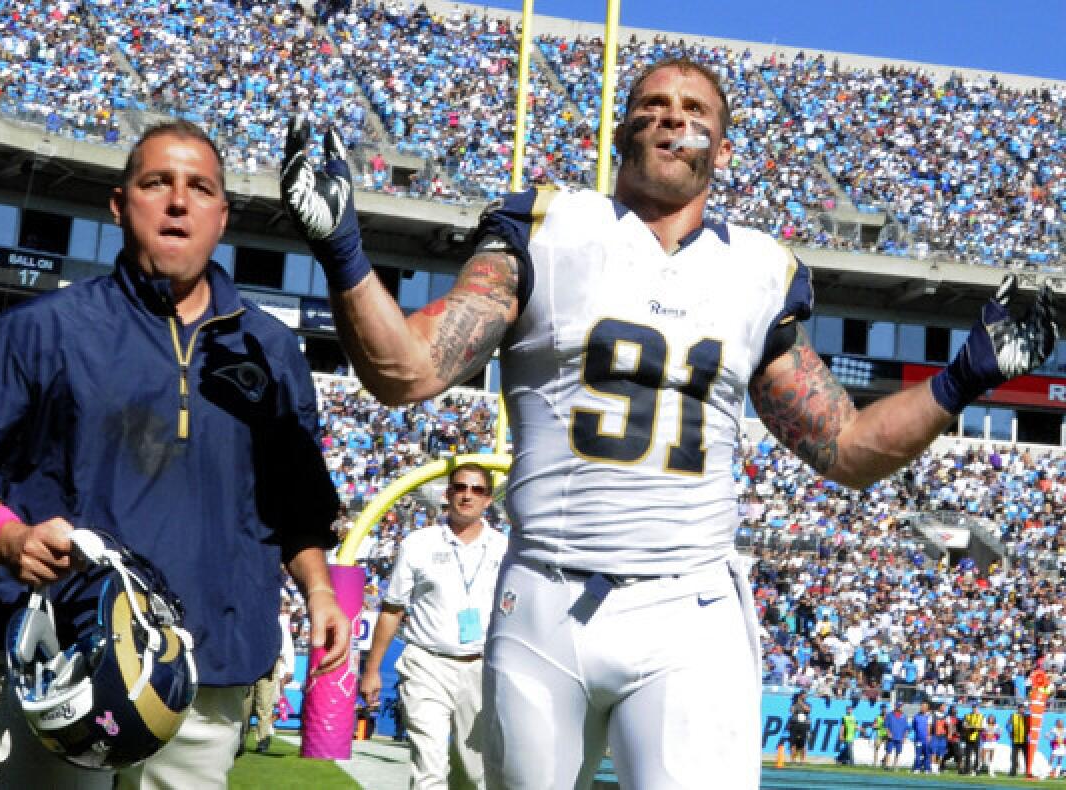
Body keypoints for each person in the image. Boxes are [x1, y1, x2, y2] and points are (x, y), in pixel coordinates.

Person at [281, 56, 1059, 789]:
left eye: (692, 110)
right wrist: (344, 250)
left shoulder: (758, 271)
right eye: (651, 105)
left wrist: (963, 379)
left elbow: (847, 449)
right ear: (622, 131)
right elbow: (409, 371)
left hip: (690, 608)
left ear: (720, 147)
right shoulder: (547, 231)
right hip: (547, 594)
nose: (670, 117)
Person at [0, 120, 351, 789]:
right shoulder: (39, 331)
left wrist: (318, 588)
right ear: (118, 205)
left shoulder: (271, 352)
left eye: (199, 188)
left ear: (222, 216)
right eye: (156, 183)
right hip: (64, 656)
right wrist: (6, 536)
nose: (178, 202)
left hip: (206, 666)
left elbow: (297, 503)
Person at [360, 463, 507, 789]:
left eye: (477, 490)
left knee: (472, 773)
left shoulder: (504, 548)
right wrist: (372, 670)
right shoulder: (418, 543)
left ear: (487, 500)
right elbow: (392, 609)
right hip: (426, 663)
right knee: (429, 767)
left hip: (481, 668)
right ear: (448, 493)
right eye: (461, 487)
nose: (468, 495)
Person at [248, 597, 296, 755]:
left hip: (269, 661)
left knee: (265, 703)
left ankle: (263, 738)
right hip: (249, 661)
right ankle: (240, 738)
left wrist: (289, 667)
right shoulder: (253, 616)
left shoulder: (281, 620)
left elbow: (287, 644)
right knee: (246, 703)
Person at [786, 692, 811, 765]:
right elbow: (791, 711)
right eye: (804, 695)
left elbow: (808, 710)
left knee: (802, 743)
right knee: (793, 743)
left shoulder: (807, 704)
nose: (805, 696)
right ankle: (793, 759)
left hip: (803, 724)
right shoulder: (794, 704)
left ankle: (802, 760)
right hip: (794, 724)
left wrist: (801, 703)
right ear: (800, 696)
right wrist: (795, 703)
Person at [882, 706, 909, 770]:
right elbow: (886, 725)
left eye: (901, 706)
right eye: (899, 706)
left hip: (900, 737)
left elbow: (906, 728)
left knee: (898, 752)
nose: (900, 708)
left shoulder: (904, 716)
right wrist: (888, 733)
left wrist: (905, 737)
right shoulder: (890, 715)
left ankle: (895, 765)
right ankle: (887, 765)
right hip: (891, 737)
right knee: (889, 751)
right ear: (896, 707)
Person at [961, 702, 984, 775]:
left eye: (976, 707)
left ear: (978, 708)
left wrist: (974, 727)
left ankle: (976, 770)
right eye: (973, 707)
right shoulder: (967, 715)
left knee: (977, 754)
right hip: (968, 737)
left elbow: (983, 727)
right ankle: (967, 770)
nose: (975, 709)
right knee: (967, 754)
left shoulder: (981, 716)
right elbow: (964, 725)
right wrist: (972, 727)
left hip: (977, 737)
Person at [1010, 703, 1031, 777]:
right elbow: (1008, 725)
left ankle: (1028, 772)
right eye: (1020, 708)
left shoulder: (1027, 716)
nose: (1021, 709)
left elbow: (1031, 725)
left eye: (1023, 708)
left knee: (1027, 756)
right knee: (1013, 756)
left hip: (1024, 739)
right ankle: (1013, 772)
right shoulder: (1013, 716)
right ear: (1018, 709)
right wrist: (1010, 732)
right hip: (1015, 739)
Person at [910, 701, 931, 773]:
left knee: (927, 754)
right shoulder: (916, 716)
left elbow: (931, 727)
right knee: (918, 754)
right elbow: (914, 727)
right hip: (918, 739)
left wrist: (929, 736)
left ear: (927, 708)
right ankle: (917, 768)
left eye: (925, 707)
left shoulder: (929, 717)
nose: (923, 708)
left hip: (927, 739)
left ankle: (926, 769)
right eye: (922, 706)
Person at [982, 713, 1000, 777]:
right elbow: (982, 733)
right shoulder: (985, 725)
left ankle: (991, 771)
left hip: (993, 742)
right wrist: (986, 737)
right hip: (986, 742)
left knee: (991, 757)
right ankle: (979, 768)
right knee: (982, 756)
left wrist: (994, 737)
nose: (991, 719)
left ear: (994, 719)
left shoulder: (996, 725)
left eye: (992, 718)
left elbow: (998, 734)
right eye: (990, 718)